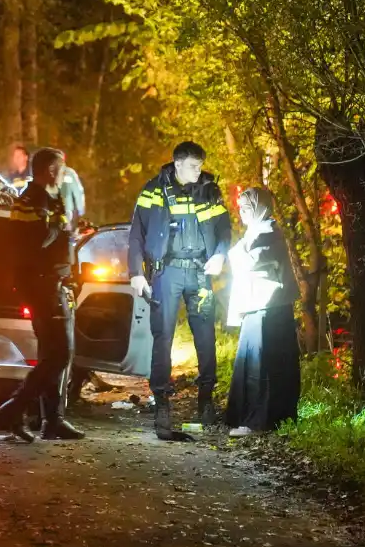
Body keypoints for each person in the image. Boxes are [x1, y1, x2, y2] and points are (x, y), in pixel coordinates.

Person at [129, 141, 232, 440]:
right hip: (167, 271)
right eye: (193, 166)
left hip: (200, 271)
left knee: (205, 336)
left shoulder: (210, 191)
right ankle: (162, 402)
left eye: (200, 166)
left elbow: (224, 229)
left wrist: (220, 254)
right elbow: (137, 234)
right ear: (177, 163)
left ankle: (206, 401)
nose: (198, 171)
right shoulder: (153, 190)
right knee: (163, 337)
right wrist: (136, 272)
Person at [0, 147, 86, 442]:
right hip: (44, 285)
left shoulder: (47, 198)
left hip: (54, 282)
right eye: (61, 168)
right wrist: (60, 226)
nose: (64, 174)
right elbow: (36, 242)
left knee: (52, 353)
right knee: (60, 354)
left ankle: (52, 420)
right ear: (49, 170)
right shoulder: (32, 200)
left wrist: (72, 233)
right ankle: (15, 407)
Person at [224, 187, 301, 437]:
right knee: (257, 362)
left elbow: (246, 261)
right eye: (241, 208)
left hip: (267, 307)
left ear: (259, 208)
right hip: (262, 307)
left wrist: (236, 252)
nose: (242, 213)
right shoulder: (258, 231)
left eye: (247, 208)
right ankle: (259, 417)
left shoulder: (268, 232)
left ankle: (259, 422)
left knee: (262, 364)